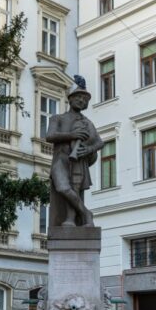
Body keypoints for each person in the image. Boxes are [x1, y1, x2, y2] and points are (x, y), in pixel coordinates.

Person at [46, 76, 103, 227]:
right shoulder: (57, 118)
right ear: (70, 99)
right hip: (61, 159)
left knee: (75, 189)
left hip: (78, 159)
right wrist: (72, 135)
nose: (81, 101)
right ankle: (86, 213)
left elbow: (99, 142)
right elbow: (50, 136)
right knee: (63, 188)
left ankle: (70, 220)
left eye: (84, 99)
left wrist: (88, 150)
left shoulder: (87, 123)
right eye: (78, 97)